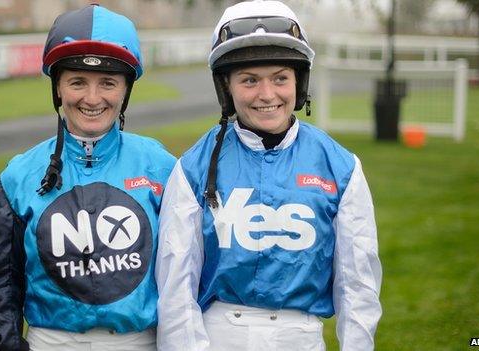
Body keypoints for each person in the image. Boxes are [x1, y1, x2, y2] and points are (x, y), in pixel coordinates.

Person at [155, 1, 382, 350]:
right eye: (249, 80)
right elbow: (175, 288)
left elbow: (359, 286)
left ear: (299, 82)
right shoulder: (193, 167)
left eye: (280, 78)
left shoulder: (341, 166)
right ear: (226, 87)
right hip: (217, 337)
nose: (267, 95)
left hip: (302, 337)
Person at [0, 4, 176, 350]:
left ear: (126, 90)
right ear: (58, 89)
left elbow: (187, 274)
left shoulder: (162, 167)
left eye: (108, 83)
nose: (92, 98)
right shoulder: (18, 177)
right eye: (77, 82)